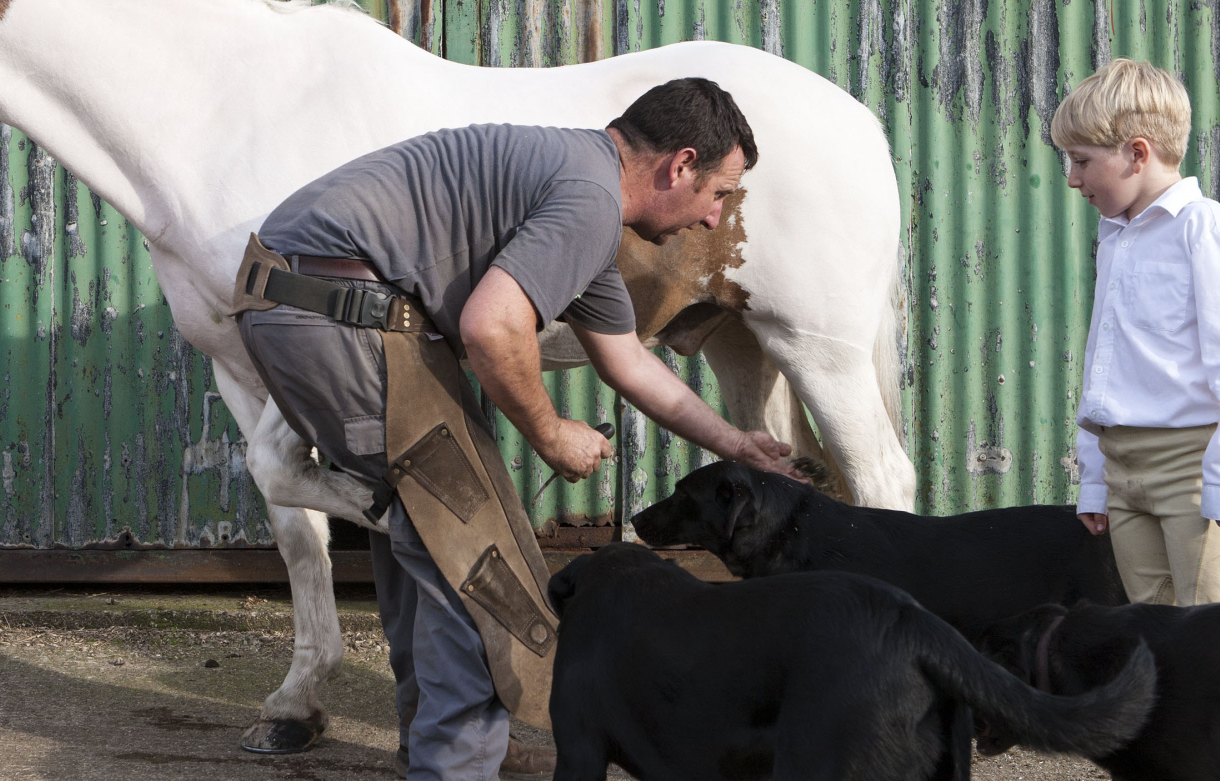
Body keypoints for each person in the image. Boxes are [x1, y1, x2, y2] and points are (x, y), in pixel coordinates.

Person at [232, 78, 802, 779]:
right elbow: (491, 325)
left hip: (306, 299)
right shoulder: (589, 200)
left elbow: (628, 362)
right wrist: (553, 434)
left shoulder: (578, 191)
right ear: (679, 165)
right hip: (342, 313)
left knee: (426, 523)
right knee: (474, 556)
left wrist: (739, 444)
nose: (717, 220)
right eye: (720, 193)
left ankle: (443, 748)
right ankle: (456, 766)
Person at [1055, 59, 1220, 607]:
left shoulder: (1209, 232)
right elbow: (1105, 363)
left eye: (1082, 161)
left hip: (1192, 471)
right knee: (1150, 626)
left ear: (1137, 153)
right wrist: (1095, 478)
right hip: (1123, 467)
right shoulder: (1117, 238)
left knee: (1209, 633)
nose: (1072, 178)